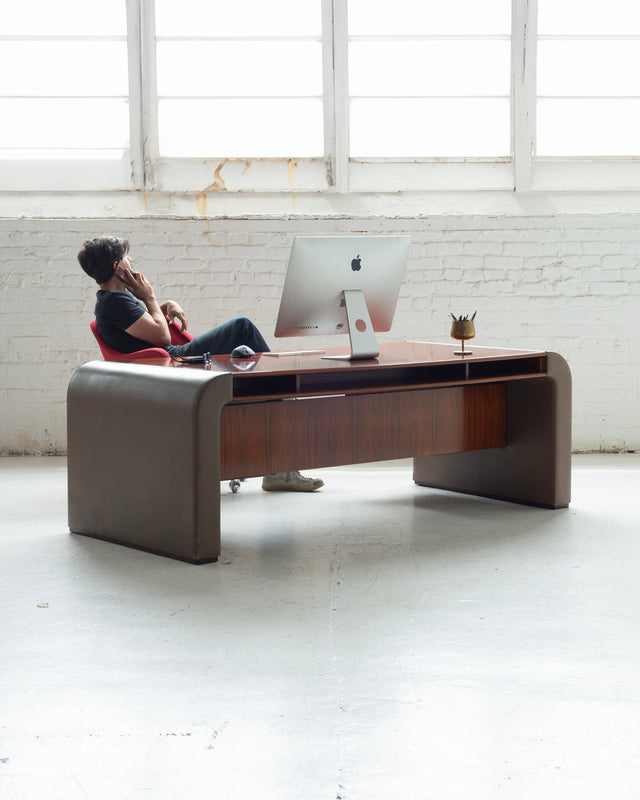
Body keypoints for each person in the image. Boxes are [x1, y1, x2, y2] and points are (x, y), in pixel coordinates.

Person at [77, 235, 323, 493]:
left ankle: (275, 420)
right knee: (243, 328)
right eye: (127, 257)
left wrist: (163, 305)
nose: (132, 260)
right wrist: (149, 297)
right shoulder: (114, 302)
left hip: (166, 359)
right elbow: (161, 336)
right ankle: (282, 391)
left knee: (253, 370)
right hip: (171, 361)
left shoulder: (112, 300)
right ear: (119, 267)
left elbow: (139, 325)